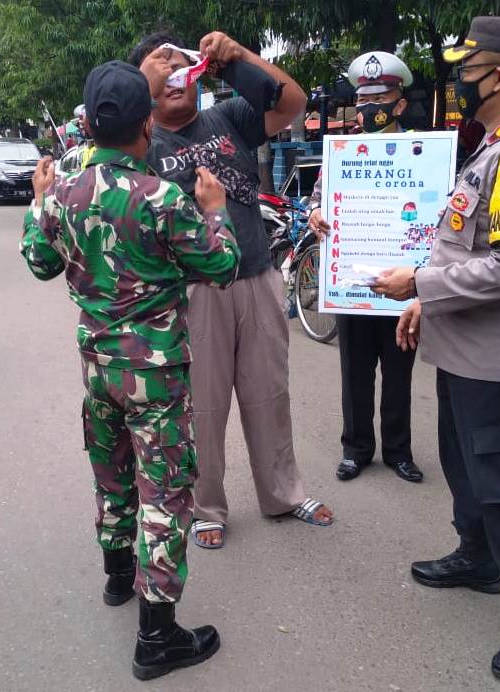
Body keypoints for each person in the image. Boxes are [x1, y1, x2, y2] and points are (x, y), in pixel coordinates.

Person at [20, 61, 240, 680]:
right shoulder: (163, 198)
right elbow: (221, 265)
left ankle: (118, 577)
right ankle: (158, 637)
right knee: (165, 491)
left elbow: (38, 262)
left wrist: (39, 202)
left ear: (88, 124)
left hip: (98, 370)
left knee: (111, 470)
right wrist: (216, 210)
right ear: (146, 122)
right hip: (157, 374)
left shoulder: (63, 193)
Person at [372, 17, 500, 682]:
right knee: (465, 466)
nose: (459, 78)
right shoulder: (495, 144)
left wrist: (419, 283)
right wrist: (429, 302)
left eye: (468, 66)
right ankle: (476, 556)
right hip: (463, 351)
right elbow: (473, 250)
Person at [132, 31, 335, 550]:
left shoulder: (229, 117)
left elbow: (293, 103)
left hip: (257, 276)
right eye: (161, 68)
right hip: (192, 293)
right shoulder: (141, 142)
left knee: (270, 393)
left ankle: (283, 493)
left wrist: (240, 56)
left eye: (182, 64)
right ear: (144, 86)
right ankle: (207, 507)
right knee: (203, 405)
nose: (175, 73)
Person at [306, 50, 423, 484]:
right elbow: (318, 196)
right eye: (363, 99)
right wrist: (315, 212)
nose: (370, 107)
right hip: (352, 282)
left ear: (400, 103)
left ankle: (398, 451)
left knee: (398, 373)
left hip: (401, 285)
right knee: (354, 373)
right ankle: (356, 449)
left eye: (381, 97)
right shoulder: (339, 152)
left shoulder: (421, 153)